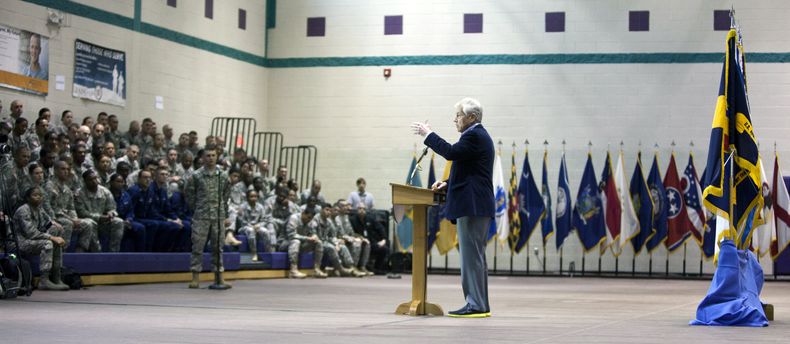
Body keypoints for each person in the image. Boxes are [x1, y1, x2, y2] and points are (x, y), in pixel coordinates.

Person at [411, 97, 494, 318]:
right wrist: (447, 184)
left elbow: (450, 152)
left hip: (473, 206)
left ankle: (475, 305)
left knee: (471, 258)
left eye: (458, 115)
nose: (454, 119)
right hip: (476, 205)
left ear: (472, 117)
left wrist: (427, 134)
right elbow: (470, 171)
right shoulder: (477, 136)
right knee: (475, 257)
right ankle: (479, 304)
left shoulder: (474, 135)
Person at [185, 144, 231, 289]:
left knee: (218, 248)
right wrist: (199, 208)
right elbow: (189, 195)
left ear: (216, 157)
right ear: (203, 158)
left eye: (213, 155)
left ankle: (219, 277)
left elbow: (226, 195)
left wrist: (224, 214)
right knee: (197, 246)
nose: (210, 158)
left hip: (218, 216)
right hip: (201, 216)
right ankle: (195, 277)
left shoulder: (222, 175)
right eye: (208, 155)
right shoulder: (196, 176)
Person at [14, 187, 68, 290]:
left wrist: (54, 224)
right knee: (48, 243)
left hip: (32, 240)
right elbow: (31, 233)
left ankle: (56, 277)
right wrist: (52, 237)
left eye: (40, 195)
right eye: (35, 195)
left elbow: (48, 221)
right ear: (28, 198)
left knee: (57, 235)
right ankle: (44, 280)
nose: (38, 197)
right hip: (21, 242)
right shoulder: (23, 210)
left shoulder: (38, 208)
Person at [46, 160, 94, 252]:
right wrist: (71, 219)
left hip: (66, 218)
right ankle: (62, 252)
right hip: (52, 218)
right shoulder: (49, 186)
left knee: (88, 224)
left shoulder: (67, 189)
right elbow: (50, 208)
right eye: (63, 169)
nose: (66, 171)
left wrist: (75, 218)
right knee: (68, 223)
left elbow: (71, 208)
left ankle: (79, 252)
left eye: (68, 169)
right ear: (55, 171)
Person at [75, 170, 125, 252]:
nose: (94, 181)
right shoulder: (79, 193)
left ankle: (114, 252)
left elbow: (112, 208)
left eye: (95, 178)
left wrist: (111, 213)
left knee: (118, 222)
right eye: (90, 180)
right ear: (85, 181)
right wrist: (99, 217)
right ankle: (97, 252)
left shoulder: (105, 191)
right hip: (87, 222)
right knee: (90, 223)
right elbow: (81, 213)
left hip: (103, 222)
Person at [315, 204, 362, 277]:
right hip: (316, 241)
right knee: (331, 247)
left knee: (342, 246)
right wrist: (334, 244)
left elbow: (332, 236)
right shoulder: (316, 219)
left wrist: (336, 243)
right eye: (326, 210)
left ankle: (351, 267)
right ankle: (340, 268)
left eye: (330, 211)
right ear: (321, 210)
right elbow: (313, 234)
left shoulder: (328, 222)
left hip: (325, 241)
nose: (328, 212)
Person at [279, 207, 326, 279]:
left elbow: (313, 232)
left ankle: (317, 269)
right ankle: (293, 270)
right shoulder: (294, 218)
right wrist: (308, 238)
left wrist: (314, 236)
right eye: (308, 217)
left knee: (318, 242)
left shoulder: (310, 221)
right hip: (285, 243)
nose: (309, 220)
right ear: (303, 213)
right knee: (296, 241)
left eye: (311, 218)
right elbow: (291, 235)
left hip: (300, 245)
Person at [334, 199, 373, 276]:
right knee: (357, 243)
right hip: (339, 239)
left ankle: (362, 266)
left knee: (366, 243)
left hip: (348, 238)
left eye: (346, 205)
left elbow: (351, 232)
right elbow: (338, 234)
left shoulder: (346, 217)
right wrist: (351, 239)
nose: (346, 207)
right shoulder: (336, 218)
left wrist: (361, 237)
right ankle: (353, 267)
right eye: (343, 206)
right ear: (339, 207)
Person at [349, 203, 390, 275]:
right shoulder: (352, 220)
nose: (362, 210)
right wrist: (360, 238)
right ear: (356, 210)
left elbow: (380, 228)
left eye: (364, 209)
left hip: (371, 242)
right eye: (360, 208)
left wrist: (383, 239)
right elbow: (351, 233)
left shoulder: (370, 218)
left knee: (384, 249)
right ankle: (360, 267)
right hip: (359, 242)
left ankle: (377, 268)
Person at [237, 189, 275, 261]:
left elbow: (264, 220)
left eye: (255, 196)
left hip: (257, 226)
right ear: (247, 197)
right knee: (251, 231)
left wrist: (259, 225)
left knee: (266, 231)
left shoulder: (260, 207)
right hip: (245, 227)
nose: (254, 198)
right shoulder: (242, 207)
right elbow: (241, 220)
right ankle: (254, 253)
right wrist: (252, 226)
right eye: (251, 196)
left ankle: (267, 253)